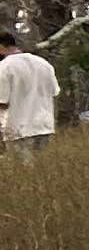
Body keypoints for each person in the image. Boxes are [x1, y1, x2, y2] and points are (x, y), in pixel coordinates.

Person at [0, 30, 55, 158]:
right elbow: (53, 91)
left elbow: (2, 102)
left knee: (21, 171)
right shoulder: (44, 63)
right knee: (43, 171)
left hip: (19, 129)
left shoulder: (4, 67)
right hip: (44, 126)